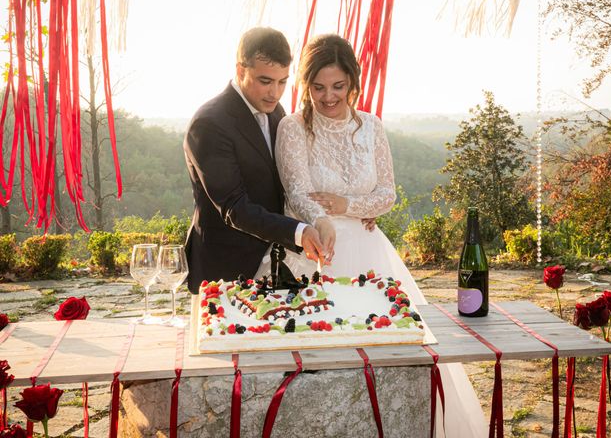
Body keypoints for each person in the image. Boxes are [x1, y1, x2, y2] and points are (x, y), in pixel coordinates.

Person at [255, 33, 489, 437]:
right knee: (320, 368)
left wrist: (346, 207)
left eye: (338, 86)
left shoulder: (372, 127)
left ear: (353, 82)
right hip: (314, 254)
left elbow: (387, 195)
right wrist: (321, 220)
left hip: (370, 254)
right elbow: (297, 193)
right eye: (318, 87)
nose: (329, 97)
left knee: (396, 361)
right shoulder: (293, 128)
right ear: (305, 85)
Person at [183, 27, 326, 294]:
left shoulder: (275, 111)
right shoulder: (209, 124)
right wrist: (298, 231)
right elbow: (234, 206)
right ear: (240, 71)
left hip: (274, 264)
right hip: (225, 269)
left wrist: (351, 207)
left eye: (282, 81)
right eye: (265, 81)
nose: (275, 92)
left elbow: (287, 177)